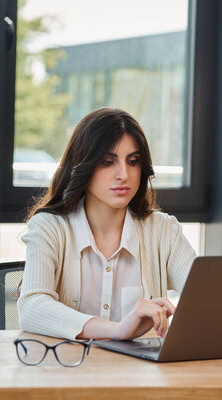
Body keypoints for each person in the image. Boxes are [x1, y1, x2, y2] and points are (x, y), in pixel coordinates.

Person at [17, 108, 196, 341]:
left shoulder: (164, 231)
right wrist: (117, 330)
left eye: (133, 161)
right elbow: (32, 308)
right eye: (107, 162)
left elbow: (209, 300)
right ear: (83, 166)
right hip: (68, 372)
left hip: (142, 376)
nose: (124, 174)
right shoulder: (49, 227)